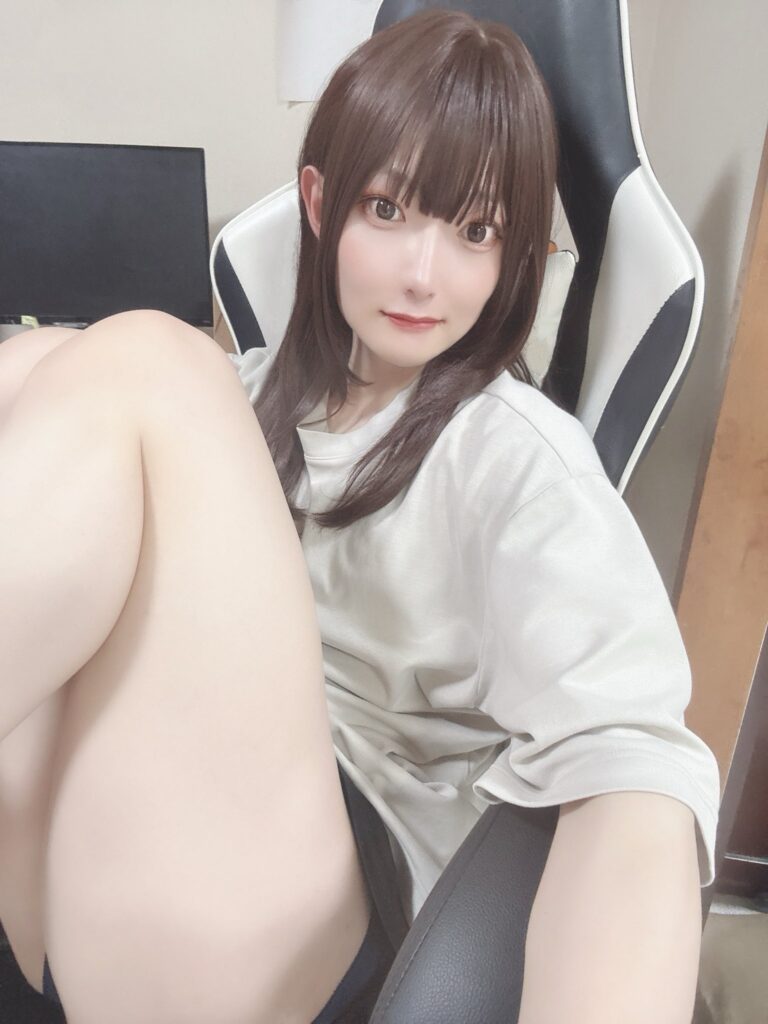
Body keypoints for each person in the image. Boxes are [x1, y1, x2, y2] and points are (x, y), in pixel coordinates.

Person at [0, 9, 719, 1024]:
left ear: (513, 257)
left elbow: (635, 770)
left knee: (144, 358)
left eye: (475, 233)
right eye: (388, 210)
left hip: (327, 911)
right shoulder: (249, 397)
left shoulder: (515, 457)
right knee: (37, 364)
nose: (426, 274)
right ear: (319, 202)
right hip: (107, 879)